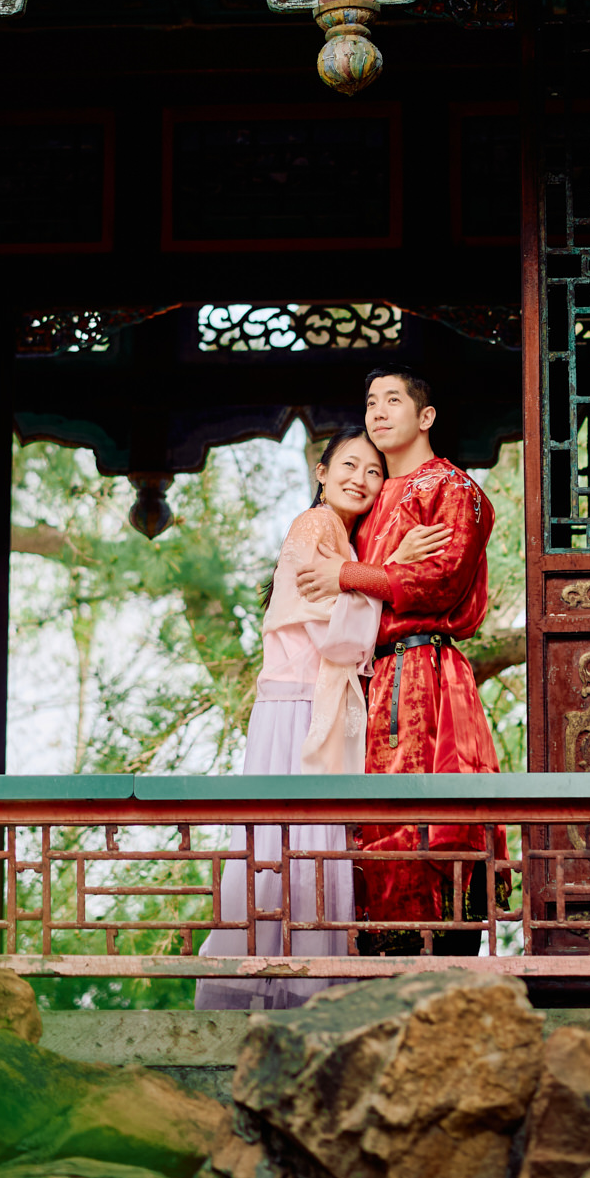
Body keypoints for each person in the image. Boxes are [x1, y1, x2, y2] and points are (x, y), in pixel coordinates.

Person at [195, 425, 450, 1009]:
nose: (361, 479)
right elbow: (329, 627)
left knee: (301, 837)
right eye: (349, 466)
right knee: (297, 835)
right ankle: (295, 982)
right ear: (321, 472)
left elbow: (338, 602)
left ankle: (291, 976)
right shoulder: (315, 525)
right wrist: (390, 569)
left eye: (374, 471)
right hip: (299, 705)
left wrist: (370, 571)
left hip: (312, 700)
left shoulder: (341, 535)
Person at [296, 368, 508, 949]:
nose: (379, 412)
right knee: (372, 817)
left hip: (425, 672)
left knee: (423, 810)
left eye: (394, 400)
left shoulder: (453, 487)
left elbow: (440, 579)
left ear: (426, 416)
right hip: (370, 674)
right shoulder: (369, 500)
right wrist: (382, 563)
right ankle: (376, 950)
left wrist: (351, 572)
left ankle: (438, 948)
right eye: (370, 402)